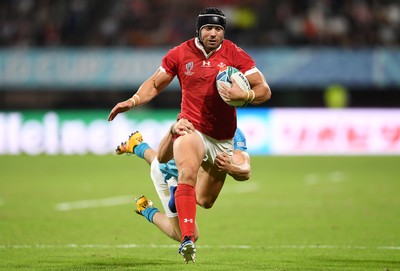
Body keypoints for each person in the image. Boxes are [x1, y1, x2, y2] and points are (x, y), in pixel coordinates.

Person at [108, 7, 271, 263]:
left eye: (218, 29)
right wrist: (134, 99)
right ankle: (186, 241)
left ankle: (141, 154)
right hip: (191, 128)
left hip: (222, 139)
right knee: (185, 173)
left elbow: (264, 89)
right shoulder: (180, 53)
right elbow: (154, 83)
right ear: (198, 30)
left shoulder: (235, 54)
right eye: (208, 28)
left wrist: (246, 95)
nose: (214, 33)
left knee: (204, 201)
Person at [115, 118, 251, 247]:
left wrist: (231, 167)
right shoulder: (195, 125)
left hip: (178, 170)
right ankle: (146, 209)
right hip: (167, 175)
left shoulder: (234, 133)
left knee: (204, 195)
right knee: (188, 234)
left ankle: (137, 146)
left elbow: (245, 171)